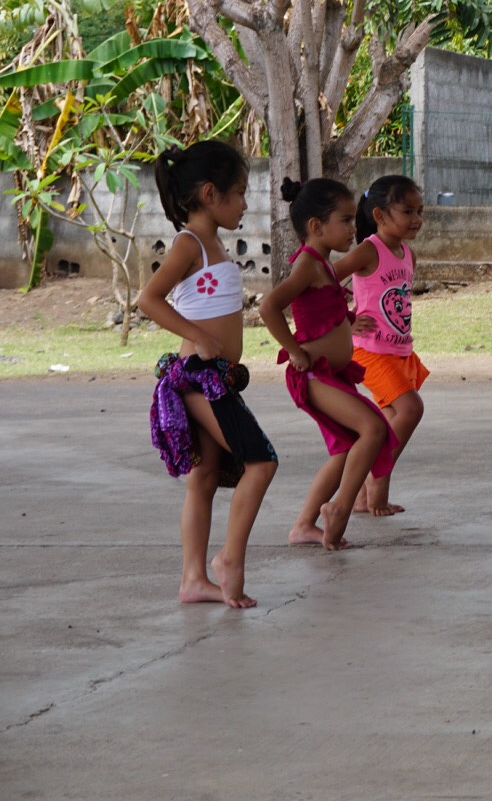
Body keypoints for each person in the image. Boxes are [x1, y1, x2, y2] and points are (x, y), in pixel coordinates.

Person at [140, 141, 277, 608]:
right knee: (261, 461)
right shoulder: (189, 243)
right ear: (209, 192)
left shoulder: (214, 242)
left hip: (215, 373)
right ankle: (229, 560)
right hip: (198, 377)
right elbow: (149, 300)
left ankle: (193, 579)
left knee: (204, 478)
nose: (245, 203)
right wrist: (198, 337)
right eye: (239, 193)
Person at [261, 178, 400, 551]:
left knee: (345, 448)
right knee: (372, 429)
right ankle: (338, 508)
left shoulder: (322, 263)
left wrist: (350, 319)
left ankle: (304, 525)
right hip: (313, 376)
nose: (353, 229)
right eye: (346, 220)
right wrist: (294, 350)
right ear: (316, 227)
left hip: (332, 374)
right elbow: (269, 307)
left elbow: (322, 308)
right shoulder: (306, 264)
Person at [336, 175, 428, 516]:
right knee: (410, 409)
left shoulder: (407, 253)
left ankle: (367, 498)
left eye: (420, 211)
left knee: (391, 419)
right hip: (370, 352)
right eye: (408, 211)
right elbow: (325, 278)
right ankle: (373, 493)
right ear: (380, 215)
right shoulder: (368, 249)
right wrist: (347, 318)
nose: (417, 219)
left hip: (399, 352)